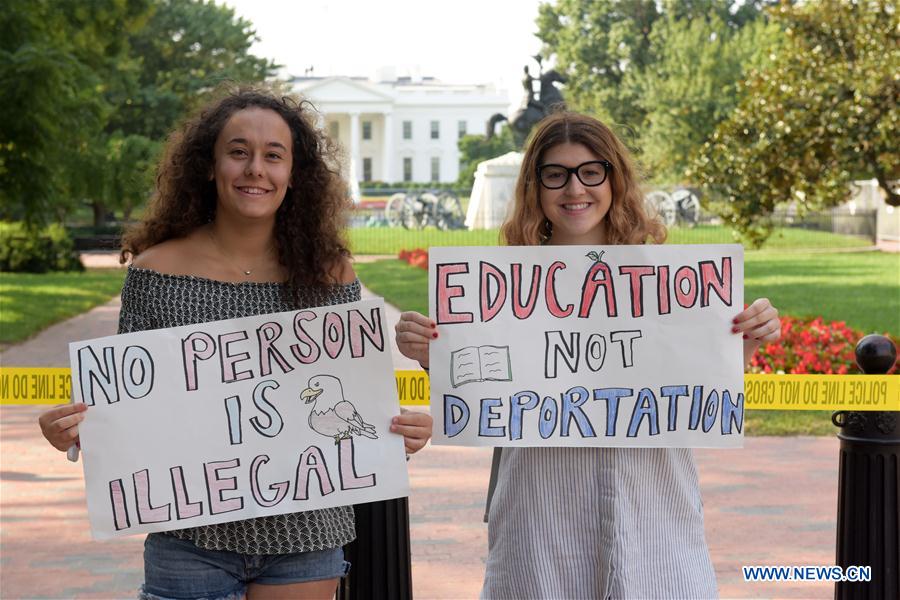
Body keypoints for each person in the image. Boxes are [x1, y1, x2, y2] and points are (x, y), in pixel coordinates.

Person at [38, 87, 433, 600]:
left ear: (294, 175)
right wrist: (75, 433)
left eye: (274, 156)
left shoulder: (330, 274)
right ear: (210, 165)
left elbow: (349, 397)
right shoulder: (157, 272)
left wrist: (397, 430)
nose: (256, 169)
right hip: (190, 539)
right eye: (239, 152)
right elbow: (131, 407)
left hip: (307, 534)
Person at [394, 111, 781, 599]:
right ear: (535, 185)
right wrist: (434, 353)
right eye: (555, 174)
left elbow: (698, 381)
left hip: (652, 505)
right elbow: (482, 387)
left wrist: (744, 338)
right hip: (539, 509)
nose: (574, 189)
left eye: (590, 171)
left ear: (613, 177)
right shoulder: (502, 289)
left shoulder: (672, 284)